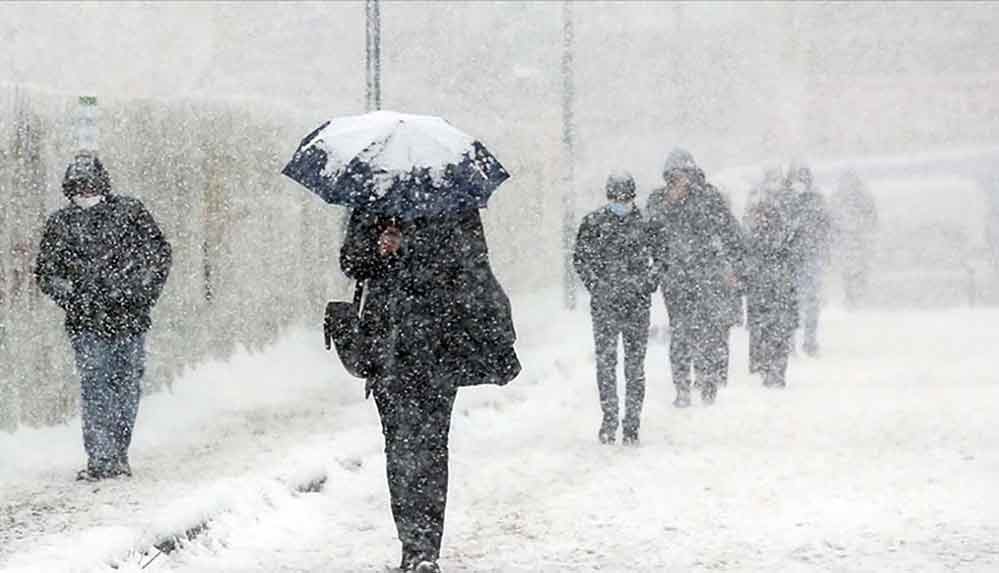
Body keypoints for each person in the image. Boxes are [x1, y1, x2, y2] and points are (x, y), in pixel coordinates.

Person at [340, 207, 520, 573]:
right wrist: (378, 249)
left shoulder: (456, 205)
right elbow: (350, 262)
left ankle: (426, 549)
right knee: (400, 447)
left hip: (439, 345)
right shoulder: (374, 203)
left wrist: (416, 249)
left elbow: (473, 266)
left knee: (432, 446)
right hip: (387, 348)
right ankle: (413, 545)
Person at [35, 152, 172, 481]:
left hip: (129, 319)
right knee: (96, 386)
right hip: (87, 323)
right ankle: (100, 458)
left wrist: (137, 291)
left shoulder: (131, 213)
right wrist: (76, 297)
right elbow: (47, 273)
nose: (84, 193)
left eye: (90, 185)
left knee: (125, 388)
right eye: (77, 187)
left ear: (103, 184)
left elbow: (158, 256)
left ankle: (117, 453)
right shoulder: (60, 224)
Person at [647, 149, 745, 407]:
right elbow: (649, 230)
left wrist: (734, 267)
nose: (680, 180)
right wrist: (670, 202)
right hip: (675, 279)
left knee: (708, 330)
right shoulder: (658, 199)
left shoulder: (709, 197)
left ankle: (707, 379)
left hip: (707, 276)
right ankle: (681, 386)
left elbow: (731, 232)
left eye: (684, 174)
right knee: (680, 331)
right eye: (674, 176)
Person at [572, 171, 654, 446]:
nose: (621, 203)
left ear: (633, 197)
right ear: (609, 198)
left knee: (634, 367)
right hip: (605, 306)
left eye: (625, 198)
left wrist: (648, 283)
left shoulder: (646, 224)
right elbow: (580, 259)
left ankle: (632, 424)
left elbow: (662, 258)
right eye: (616, 198)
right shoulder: (594, 223)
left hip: (637, 305)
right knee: (606, 365)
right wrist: (597, 286)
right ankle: (609, 420)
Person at [745, 185, 802, 388]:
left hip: (778, 294)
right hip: (766, 295)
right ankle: (770, 370)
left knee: (778, 335)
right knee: (767, 335)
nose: (761, 220)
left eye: (764, 215)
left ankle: (776, 372)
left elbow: (794, 261)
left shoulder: (782, 238)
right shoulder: (754, 239)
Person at [787, 164, 832, 356]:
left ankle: (800, 341)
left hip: (800, 257)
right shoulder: (814, 200)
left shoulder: (788, 199)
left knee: (797, 301)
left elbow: (826, 227)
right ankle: (804, 341)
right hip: (801, 257)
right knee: (800, 302)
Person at [830, 170, 878, 309]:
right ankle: (853, 297)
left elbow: (872, 218)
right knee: (851, 270)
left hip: (856, 240)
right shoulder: (841, 198)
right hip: (850, 240)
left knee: (856, 269)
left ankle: (856, 297)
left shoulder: (858, 198)